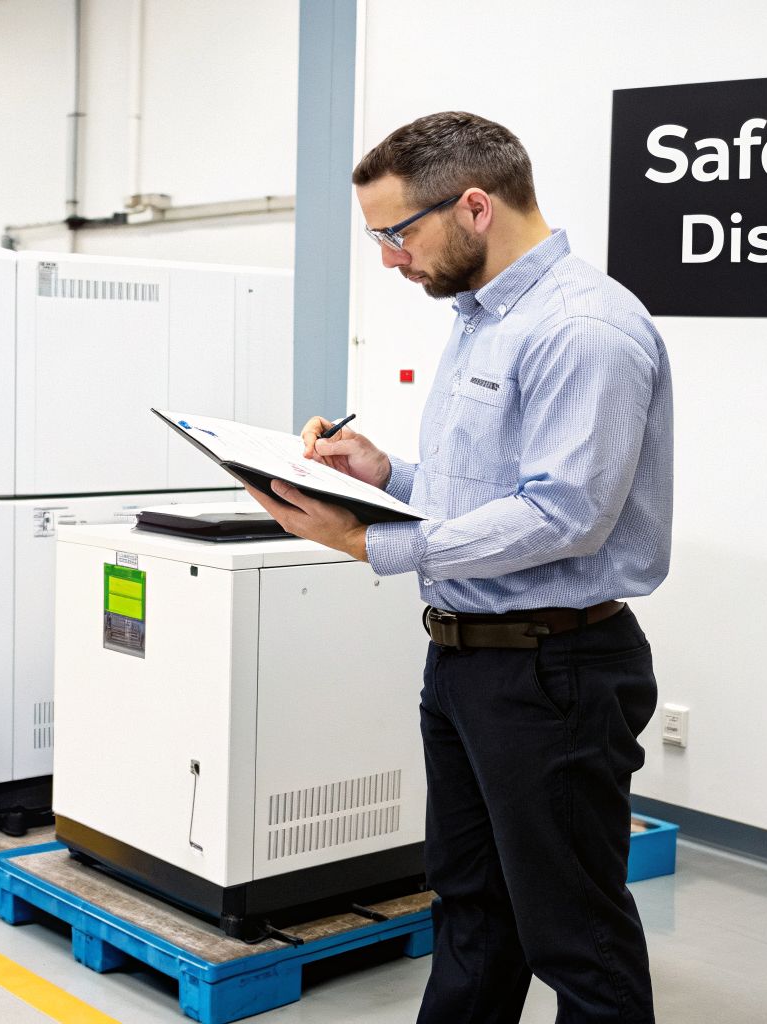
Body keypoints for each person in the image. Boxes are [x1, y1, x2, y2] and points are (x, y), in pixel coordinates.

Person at [244, 110, 673, 1024]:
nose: (392, 260)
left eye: (398, 234)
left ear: (475, 206)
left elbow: (564, 515)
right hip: (469, 662)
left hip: (553, 670)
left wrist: (372, 542)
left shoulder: (584, 328)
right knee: (472, 910)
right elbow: (482, 487)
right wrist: (385, 473)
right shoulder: (481, 319)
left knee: (575, 935)